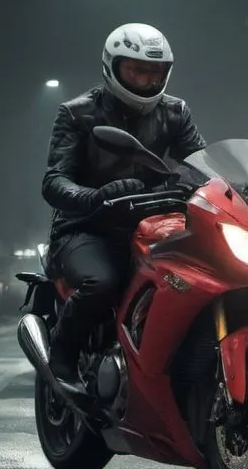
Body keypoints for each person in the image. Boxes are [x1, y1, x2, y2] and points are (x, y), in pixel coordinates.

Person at [41, 23, 206, 381]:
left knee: (199, 281)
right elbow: (54, 181)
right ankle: (62, 364)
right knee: (101, 282)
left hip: (156, 226)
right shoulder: (77, 113)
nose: (147, 80)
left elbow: (201, 164)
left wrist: (233, 188)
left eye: (154, 72)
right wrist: (94, 196)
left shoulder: (176, 113)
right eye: (137, 70)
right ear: (113, 67)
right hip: (87, 228)